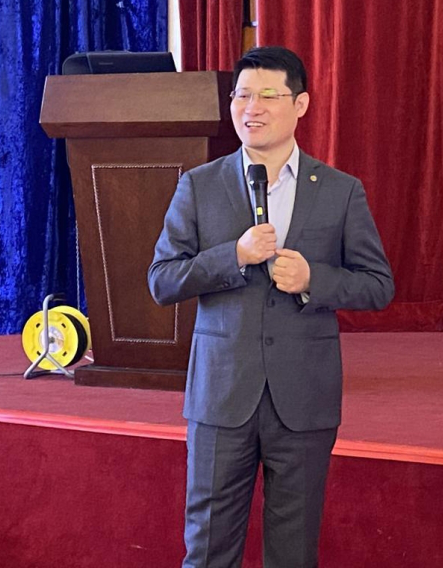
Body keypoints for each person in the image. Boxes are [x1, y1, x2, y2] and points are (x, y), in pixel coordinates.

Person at [148, 46, 394, 568]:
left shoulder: (340, 191)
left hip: (303, 398)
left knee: (293, 552)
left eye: (267, 95)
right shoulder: (200, 185)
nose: (251, 108)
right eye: (241, 95)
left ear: (300, 104)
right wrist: (232, 256)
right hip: (221, 396)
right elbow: (162, 280)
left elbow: (378, 286)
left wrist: (313, 280)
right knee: (208, 549)